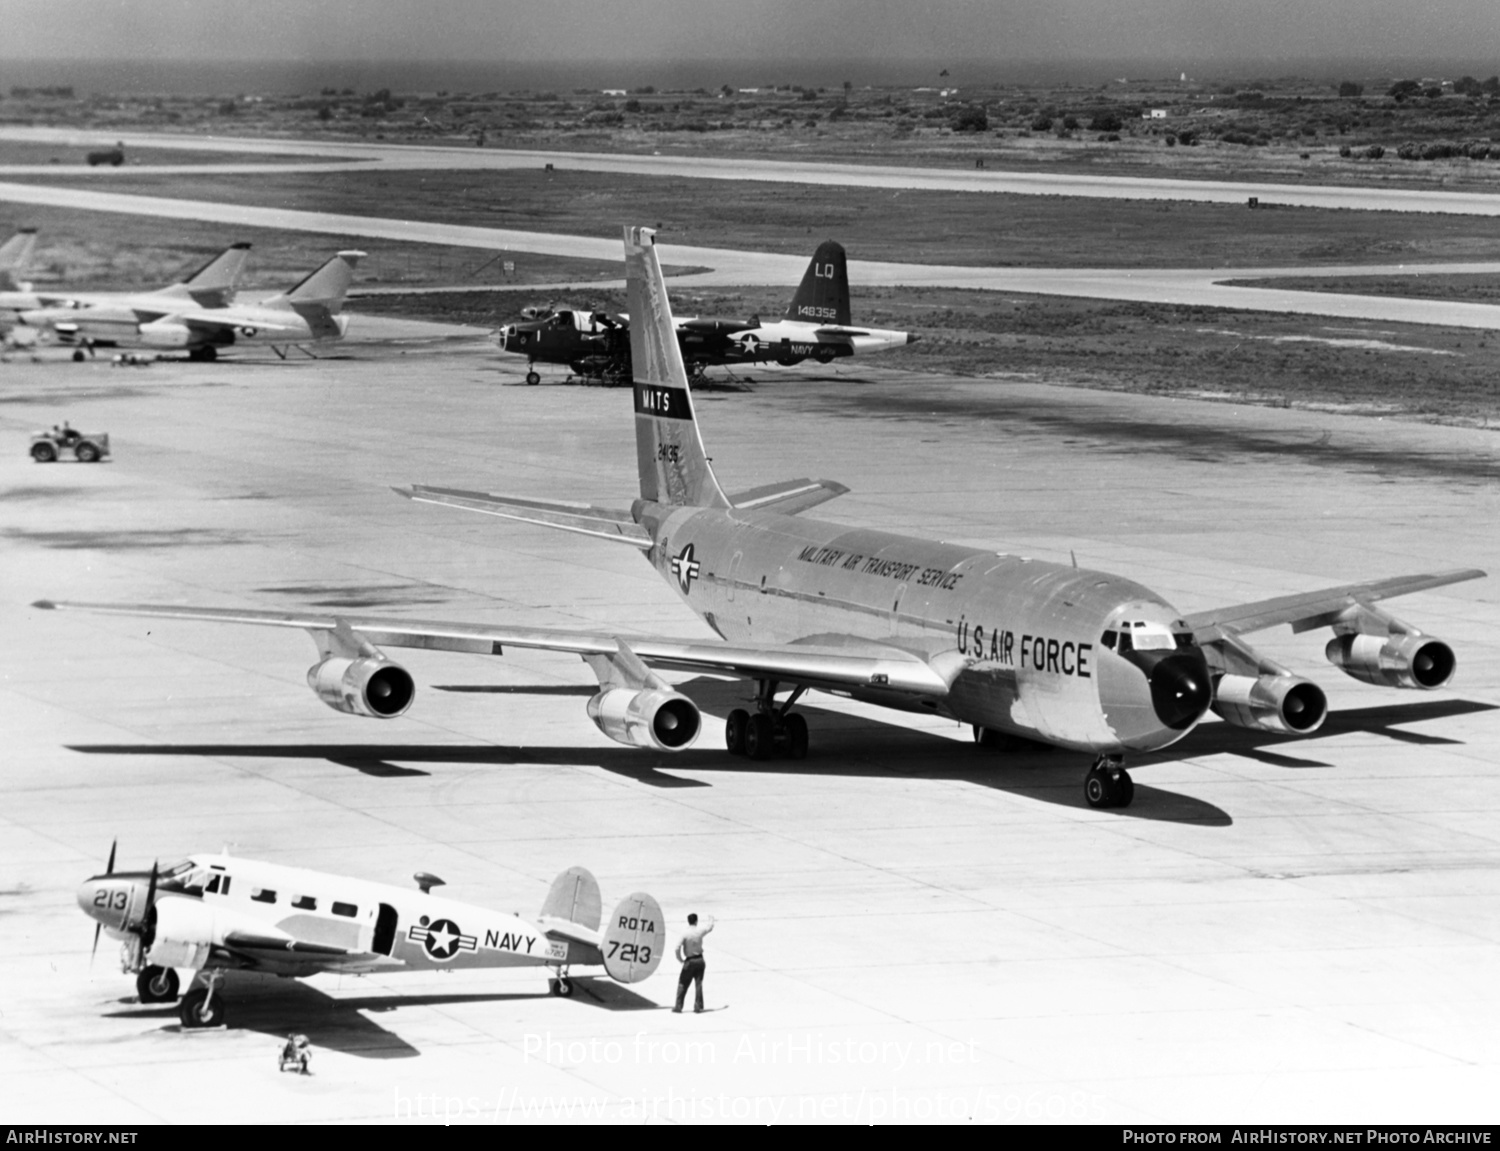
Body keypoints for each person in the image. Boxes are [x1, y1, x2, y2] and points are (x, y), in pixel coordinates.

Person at [672, 912, 715, 1014]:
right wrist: (711, 919)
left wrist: (680, 959)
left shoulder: (685, 933)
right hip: (700, 960)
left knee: (683, 983)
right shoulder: (700, 931)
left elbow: (677, 947)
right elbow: (709, 928)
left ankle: (678, 1006)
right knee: (698, 984)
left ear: (688, 921)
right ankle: (698, 1006)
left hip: (689, 961)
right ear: (696, 921)